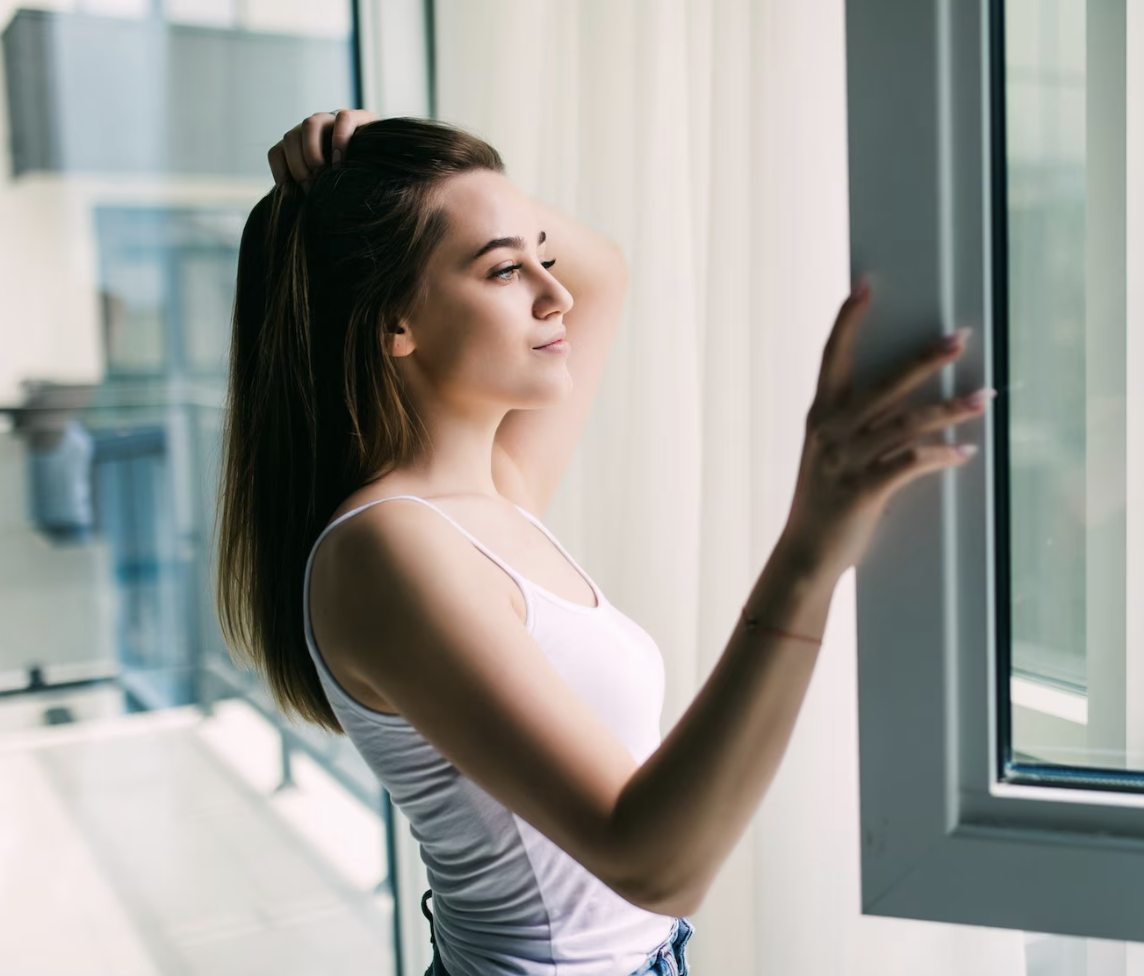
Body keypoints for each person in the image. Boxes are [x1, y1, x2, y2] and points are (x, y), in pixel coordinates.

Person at [214, 109, 992, 976]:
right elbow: (652, 862)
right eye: (507, 269)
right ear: (394, 322)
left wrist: (395, 153)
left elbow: (605, 273)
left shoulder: (491, 494)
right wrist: (810, 547)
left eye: (541, 256)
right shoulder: (389, 550)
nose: (558, 295)